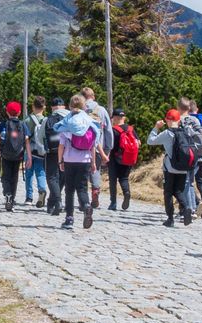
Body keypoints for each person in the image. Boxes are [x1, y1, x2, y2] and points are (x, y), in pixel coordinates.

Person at [56, 93, 101, 230]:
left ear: (70, 106)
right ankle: (86, 206)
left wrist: (60, 160)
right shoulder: (89, 121)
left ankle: (69, 219)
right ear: (84, 106)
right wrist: (93, 162)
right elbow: (93, 145)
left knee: (69, 190)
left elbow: (61, 145)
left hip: (70, 160)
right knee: (82, 188)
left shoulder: (68, 122)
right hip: (85, 160)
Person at [155, 108, 200, 225]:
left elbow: (150, 141)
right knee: (179, 191)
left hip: (170, 168)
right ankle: (186, 208)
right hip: (184, 168)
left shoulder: (167, 133)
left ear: (167, 120)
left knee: (168, 192)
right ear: (179, 120)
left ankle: (170, 219)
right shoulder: (186, 132)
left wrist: (156, 128)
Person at [0, 101, 30, 212]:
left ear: (7, 112)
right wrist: (29, 156)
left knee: (5, 176)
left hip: (5, 155)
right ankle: (12, 200)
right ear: (19, 112)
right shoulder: (23, 124)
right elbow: (27, 140)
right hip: (18, 155)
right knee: (14, 177)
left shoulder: (3, 124)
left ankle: (8, 194)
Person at [182, 96, 202, 212]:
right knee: (201, 182)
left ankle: (196, 203)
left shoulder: (187, 121)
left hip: (192, 156)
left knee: (188, 182)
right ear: (198, 109)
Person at [106, 109, 139, 211]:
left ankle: (113, 203)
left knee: (113, 180)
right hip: (128, 158)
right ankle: (126, 193)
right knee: (124, 178)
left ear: (114, 118)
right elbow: (138, 143)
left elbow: (110, 145)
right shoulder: (131, 129)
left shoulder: (113, 130)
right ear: (123, 118)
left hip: (114, 159)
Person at [42, 97, 68, 214]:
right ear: (64, 106)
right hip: (68, 152)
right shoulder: (71, 117)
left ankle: (56, 202)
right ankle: (53, 202)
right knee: (62, 177)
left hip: (52, 151)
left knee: (52, 177)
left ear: (52, 108)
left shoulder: (47, 119)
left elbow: (40, 136)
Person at [20, 102, 47, 205]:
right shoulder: (45, 120)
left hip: (29, 150)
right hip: (41, 150)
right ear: (44, 107)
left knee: (29, 174)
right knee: (41, 172)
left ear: (33, 106)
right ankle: (42, 190)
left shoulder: (26, 120)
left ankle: (29, 198)